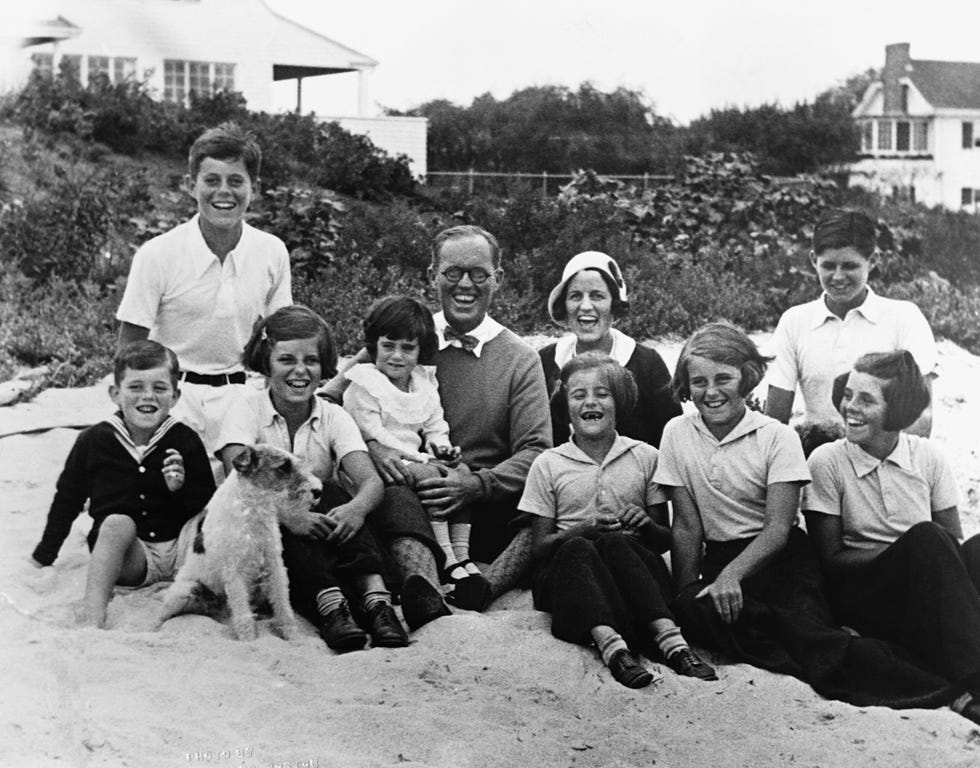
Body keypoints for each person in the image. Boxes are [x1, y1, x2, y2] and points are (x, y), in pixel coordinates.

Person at [657, 323, 957, 708]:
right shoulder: (676, 433)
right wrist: (687, 592)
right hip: (720, 556)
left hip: (783, 562)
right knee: (707, 614)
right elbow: (686, 526)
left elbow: (779, 529)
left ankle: (924, 683)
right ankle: (848, 649)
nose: (710, 392)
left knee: (806, 631)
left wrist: (732, 575)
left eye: (723, 378)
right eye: (697, 381)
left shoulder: (775, 437)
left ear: (747, 378)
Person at [322, 225, 552, 627]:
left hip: (481, 502)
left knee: (553, 505)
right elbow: (328, 402)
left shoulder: (520, 358)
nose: (465, 284)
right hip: (409, 494)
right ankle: (422, 587)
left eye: (479, 273)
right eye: (452, 272)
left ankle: (486, 585)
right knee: (396, 496)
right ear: (432, 275)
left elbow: (536, 451)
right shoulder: (402, 336)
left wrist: (476, 486)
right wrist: (374, 449)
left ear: (498, 278)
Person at [216, 306, 408, 652]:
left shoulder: (332, 415)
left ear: (324, 367)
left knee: (334, 492)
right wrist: (292, 517)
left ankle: (377, 600)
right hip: (262, 539)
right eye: (286, 359)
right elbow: (238, 470)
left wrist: (357, 509)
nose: (300, 371)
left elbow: (370, 481)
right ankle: (331, 606)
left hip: (323, 538)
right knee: (286, 502)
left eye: (312, 360)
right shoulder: (246, 408)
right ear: (266, 363)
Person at [804, 350, 980, 724]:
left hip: (928, 588)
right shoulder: (828, 461)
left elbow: (955, 545)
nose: (850, 407)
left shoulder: (929, 458)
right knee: (927, 538)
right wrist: (906, 553)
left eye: (866, 399)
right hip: (867, 595)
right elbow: (830, 559)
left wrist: (920, 555)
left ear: (898, 410)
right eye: (848, 394)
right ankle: (975, 678)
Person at [522, 352, 716, 688]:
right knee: (580, 546)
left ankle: (672, 642)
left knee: (615, 540)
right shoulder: (548, 463)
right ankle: (612, 648)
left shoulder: (645, 456)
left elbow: (662, 539)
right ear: (565, 405)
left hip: (633, 581)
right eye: (578, 395)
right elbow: (539, 548)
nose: (589, 402)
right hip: (572, 583)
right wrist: (581, 530)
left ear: (620, 401)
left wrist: (643, 523)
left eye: (602, 393)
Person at [115, 122, 292, 476]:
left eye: (236, 181)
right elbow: (130, 348)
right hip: (175, 398)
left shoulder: (272, 251)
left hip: (243, 395)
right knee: (160, 501)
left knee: (256, 494)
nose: (223, 192)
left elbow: (282, 339)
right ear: (190, 185)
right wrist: (132, 417)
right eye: (211, 180)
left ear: (254, 189)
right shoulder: (158, 254)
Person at [30, 341, 215, 628]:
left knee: (210, 519)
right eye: (136, 387)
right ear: (116, 394)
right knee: (116, 523)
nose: (148, 396)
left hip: (183, 552)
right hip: (134, 559)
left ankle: (212, 593)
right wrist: (44, 554)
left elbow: (206, 498)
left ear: (176, 396)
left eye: (159, 388)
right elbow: (67, 498)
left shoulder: (184, 439)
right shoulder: (94, 441)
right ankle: (93, 619)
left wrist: (180, 488)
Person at [344, 295, 489, 606]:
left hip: (414, 461)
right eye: (388, 346)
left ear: (420, 350)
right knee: (434, 477)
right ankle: (448, 559)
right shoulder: (365, 383)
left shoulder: (422, 382)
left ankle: (462, 555)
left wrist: (443, 449)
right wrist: (421, 460)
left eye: (408, 348)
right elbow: (372, 432)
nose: (397, 356)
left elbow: (435, 423)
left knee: (459, 475)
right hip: (379, 466)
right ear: (374, 345)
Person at [765, 208, 936, 436]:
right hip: (817, 458)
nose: (837, 277)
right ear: (814, 260)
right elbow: (775, 416)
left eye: (849, 266)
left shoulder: (904, 318)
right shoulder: (794, 321)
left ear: (872, 260)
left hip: (883, 459)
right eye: (828, 266)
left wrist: (893, 467)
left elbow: (921, 415)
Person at [538, 251, 680, 448]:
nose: (585, 306)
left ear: (614, 305)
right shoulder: (545, 362)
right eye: (575, 296)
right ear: (564, 306)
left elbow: (671, 441)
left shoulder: (647, 364)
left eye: (597, 296)